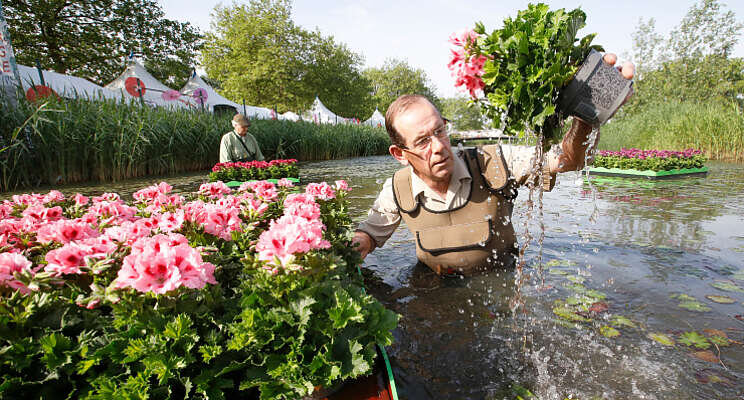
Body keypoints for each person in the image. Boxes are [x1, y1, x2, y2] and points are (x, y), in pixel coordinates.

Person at [352, 54, 634, 276]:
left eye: (440, 131)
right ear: (400, 153)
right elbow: (367, 237)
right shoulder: (397, 189)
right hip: (436, 296)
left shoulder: (494, 163)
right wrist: (344, 249)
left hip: (500, 293)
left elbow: (566, 160)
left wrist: (586, 117)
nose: (438, 146)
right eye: (423, 141)